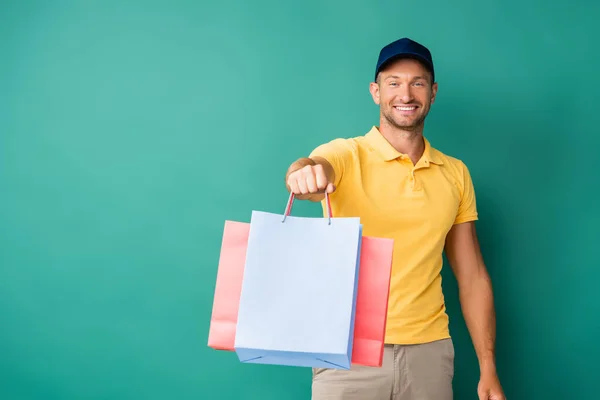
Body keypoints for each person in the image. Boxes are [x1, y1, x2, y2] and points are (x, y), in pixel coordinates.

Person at [284, 38, 506, 400]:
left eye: (417, 82)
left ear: (432, 92)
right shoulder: (345, 154)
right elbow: (312, 168)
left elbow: (472, 276)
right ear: (376, 92)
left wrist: (488, 366)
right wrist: (301, 173)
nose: (406, 93)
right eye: (393, 82)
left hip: (430, 354)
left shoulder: (455, 174)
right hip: (348, 354)